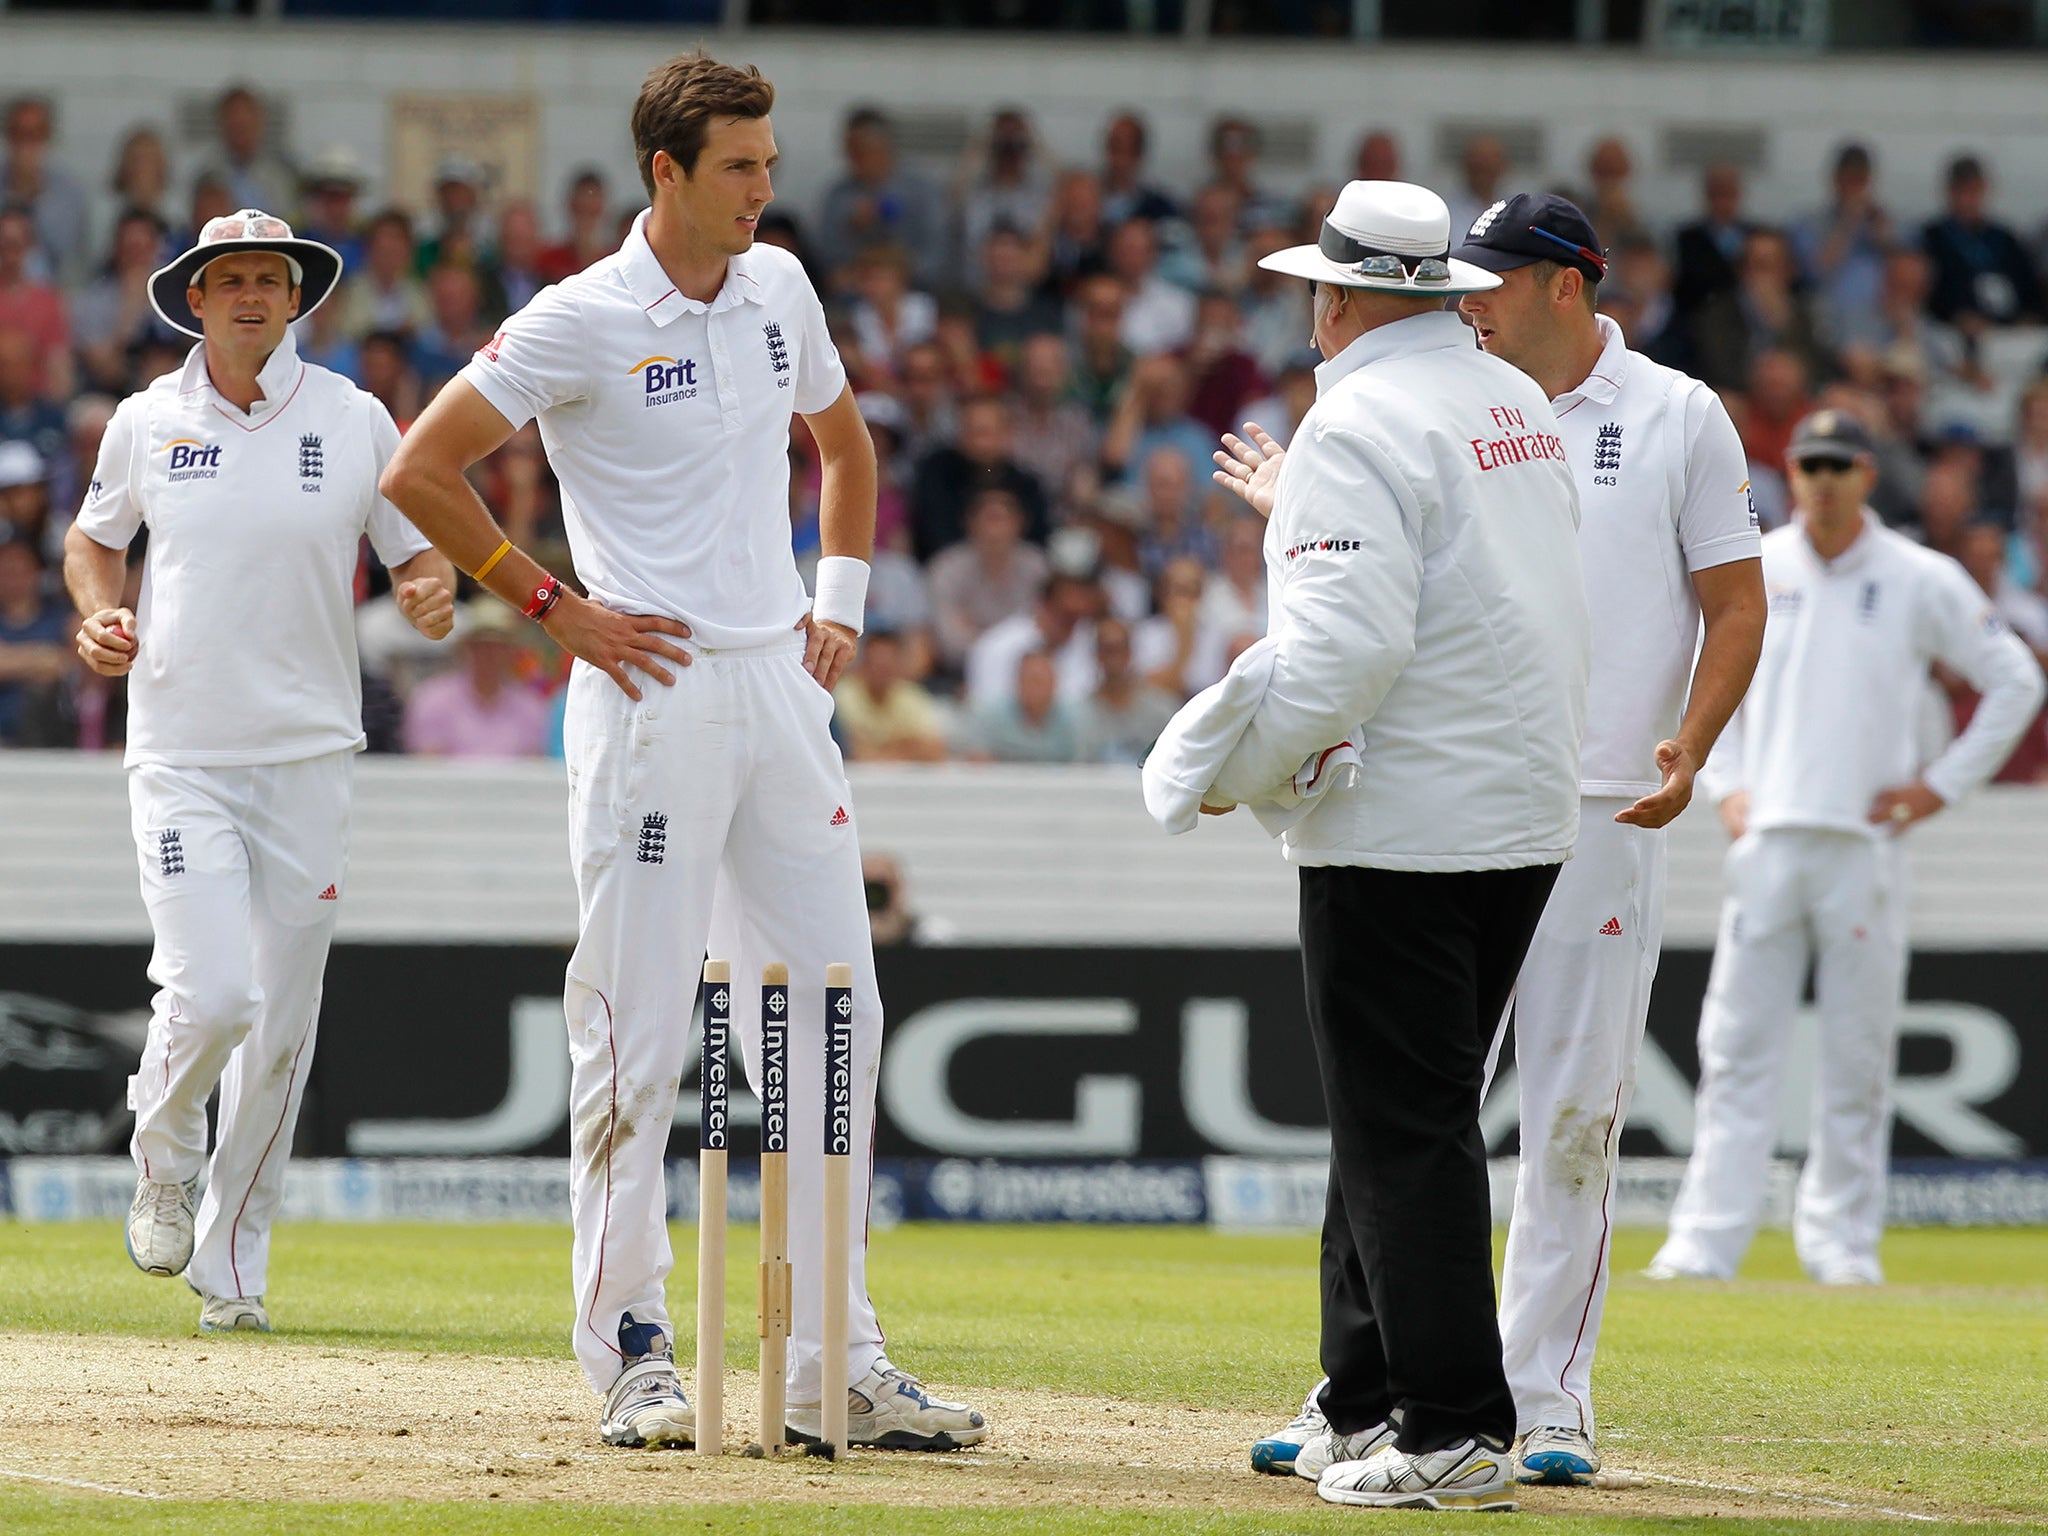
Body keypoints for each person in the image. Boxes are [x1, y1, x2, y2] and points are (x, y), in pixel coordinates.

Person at [378, 52, 987, 1455]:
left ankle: (837, 1362)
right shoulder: (580, 318)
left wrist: (835, 604)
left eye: (770, 164)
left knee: (842, 1014)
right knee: (642, 1027)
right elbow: (419, 466)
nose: (767, 191)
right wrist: (553, 608)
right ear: (667, 172)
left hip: (778, 685)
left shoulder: (778, 288)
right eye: (741, 169)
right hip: (648, 693)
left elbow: (842, 441)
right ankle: (631, 1348)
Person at [1152, 180, 1589, 1511]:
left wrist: (1240, 767)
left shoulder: (1353, 423)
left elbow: (1348, 651)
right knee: (1398, 1116)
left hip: (1407, 824)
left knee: (1402, 1130)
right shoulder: (1510, 397)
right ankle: (1362, 1394)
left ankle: (1454, 1428)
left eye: (1315, 299)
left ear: (1339, 298)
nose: (1310, 322)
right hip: (1520, 814)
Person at [63, 207, 455, 1333]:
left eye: (269, 281)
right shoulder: (144, 421)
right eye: (227, 279)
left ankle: (233, 1270)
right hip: (183, 748)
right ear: (195, 297)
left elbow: (415, 548)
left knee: (281, 1022)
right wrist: (99, 615)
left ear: (297, 299)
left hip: (311, 755)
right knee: (215, 992)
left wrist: (428, 586)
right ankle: (163, 1151)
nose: (248, 296)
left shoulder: (354, 415)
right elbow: (96, 541)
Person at [1429, 193, 1759, 1486]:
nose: (1472, 304)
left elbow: (1735, 604)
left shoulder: (1678, 413)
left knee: (1574, 1116)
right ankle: (1388, 1383)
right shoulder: (1458, 401)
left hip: (1609, 804)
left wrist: (1695, 739)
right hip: (1459, 797)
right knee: (1424, 1114)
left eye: (1492, 283)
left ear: (1566, 284)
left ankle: (1547, 1398)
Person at [1649, 411, 2043, 1286]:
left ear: (1867, 474)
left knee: (1857, 1052)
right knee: (1735, 1047)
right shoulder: (1761, 568)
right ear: (1790, 473)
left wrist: (1940, 785)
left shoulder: (1916, 577)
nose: (1823, 481)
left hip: (1864, 845)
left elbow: (2015, 677)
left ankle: (1840, 1245)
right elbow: (1695, 675)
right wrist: (1725, 784)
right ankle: (1706, 1241)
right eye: (1809, 465)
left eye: (1840, 465)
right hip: (1770, 839)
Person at [402, 598, 550, 757]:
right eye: (480, 646)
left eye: (498, 647)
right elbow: (425, 764)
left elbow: (534, 765)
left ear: (510, 652)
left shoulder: (530, 706)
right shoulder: (432, 699)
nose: (488, 655)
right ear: (465, 648)